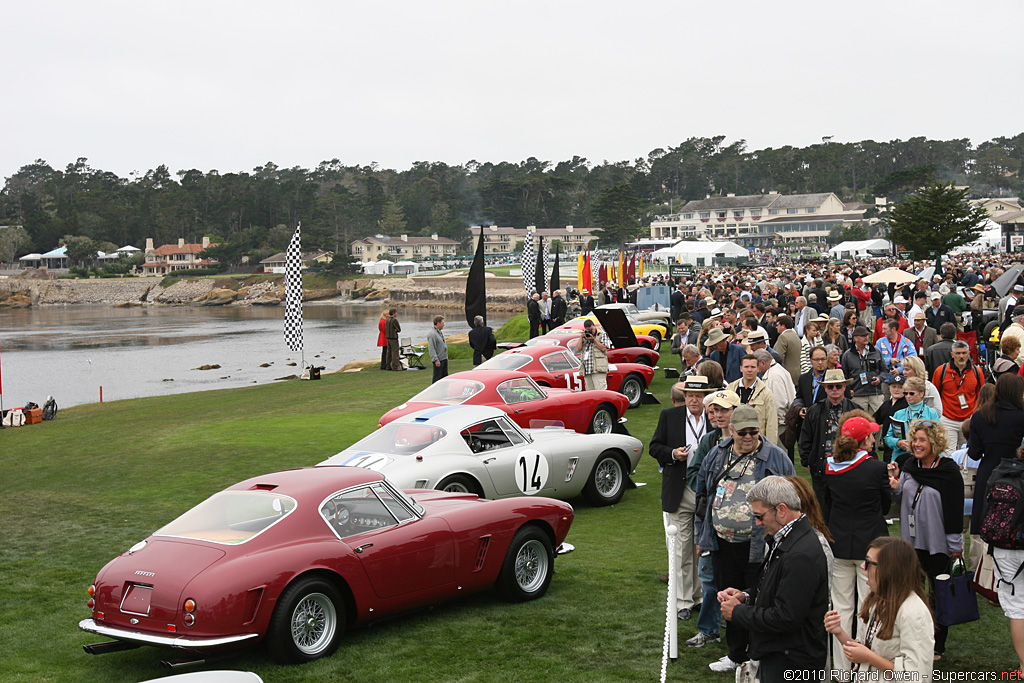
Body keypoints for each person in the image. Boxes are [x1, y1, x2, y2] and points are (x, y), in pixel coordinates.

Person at [695, 406, 795, 672]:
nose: (749, 437)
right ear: (731, 431)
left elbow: (793, 497)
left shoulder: (776, 457)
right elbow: (703, 494)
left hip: (760, 544)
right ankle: (736, 653)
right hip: (722, 543)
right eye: (743, 433)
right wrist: (701, 535)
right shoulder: (717, 454)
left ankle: (760, 653)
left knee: (760, 600)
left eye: (754, 432)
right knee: (728, 597)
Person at [718, 476, 829, 680]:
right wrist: (746, 596)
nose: (758, 523)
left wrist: (738, 612)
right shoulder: (788, 539)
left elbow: (786, 617)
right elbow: (777, 587)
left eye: (760, 516)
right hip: (783, 654)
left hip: (792, 662)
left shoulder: (800, 553)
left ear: (782, 510)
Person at [887, 419, 964, 660]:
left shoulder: (948, 471)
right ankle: (912, 640)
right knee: (911, 593)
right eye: (915, 439)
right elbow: (902, 496)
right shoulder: (910, 465)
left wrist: (955, 547)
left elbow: (954, 511)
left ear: (935, 442)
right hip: (911, 544)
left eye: (923, 440)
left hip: (938, 545)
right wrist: (895, 482)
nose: (917, 444)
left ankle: (937, 645)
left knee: (938, 595)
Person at [824, 413, 891, 668]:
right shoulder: (876, 468)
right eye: (871, 436)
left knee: (841, 608)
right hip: (870, 549)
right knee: (867, 607)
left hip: (839, 544)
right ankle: (863, 664)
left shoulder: (830, 468)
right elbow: (885, 505)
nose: (874, 440)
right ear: (863, 441)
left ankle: (842, 669)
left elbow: (827, 506)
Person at [824, 537, 934, 677]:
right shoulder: (877, 601)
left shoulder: (914, 613)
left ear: (889, 569)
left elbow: (916, 676)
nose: (863, 566)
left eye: (869, 562)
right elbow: (865, 650)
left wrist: (869, 658)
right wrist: (838, 631)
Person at [649, 377, 711, 621]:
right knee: (680, 548)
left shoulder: (715, 418)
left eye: (699, 396)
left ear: (706, 396)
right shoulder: (669, 416)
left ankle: (700, 597)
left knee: (703, 547)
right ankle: (683, 601)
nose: (694, 400)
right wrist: (672, 454)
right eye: (689, 396)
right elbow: (655, 447)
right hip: (680, 488)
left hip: (706, 491)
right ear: (683, 397)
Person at [686, 388, 740, 648]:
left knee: (742, 582)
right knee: (708, 579)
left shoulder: (752, 439)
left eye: (724, 410)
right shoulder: (709, 441)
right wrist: (710, 490)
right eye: (715, 410)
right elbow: (694, 471)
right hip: (709, 519)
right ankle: (708, 630)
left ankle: (739, 634)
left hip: (740, 526)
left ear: (735, 412)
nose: (718, 415)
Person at [967, 373, 1024, 537]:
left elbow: (974, 453)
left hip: (988, 473)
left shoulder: (979, 416)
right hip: (1017, 475)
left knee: (986, 522)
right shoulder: (1020, 416)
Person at [800, 369, 858, 511]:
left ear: (845, 387)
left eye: (838, 386)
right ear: (824, 388)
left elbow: (865, 440)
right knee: (822, 509)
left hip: (849, 468)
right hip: (821, 469)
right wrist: (808, 461)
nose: (834, 390)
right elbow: (805, 438)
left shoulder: (856, 410)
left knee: (847, 508)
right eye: (830, 386)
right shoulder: (814, 410)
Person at [992, 439, 1024, 674]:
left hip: (1004, 550)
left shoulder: (1002, 472)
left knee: (1018, 610)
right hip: (1014, 548)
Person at [932, 340, 984, 454]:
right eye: (958, 353)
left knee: (968, 453)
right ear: (952, 354)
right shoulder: (941, 371)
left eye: (964, 353)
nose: (961, 356)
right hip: (947, 418)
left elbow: (981, 395)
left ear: (969, 354)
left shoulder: (977, 371)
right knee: (948, 453)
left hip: (969, 418)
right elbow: (935, 395)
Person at [884, 377, 941, 468]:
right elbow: (887, 438)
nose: (908, 396)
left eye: (911, 393)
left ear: (922, 393)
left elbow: (939, 439)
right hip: (901, 458)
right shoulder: (899, 414)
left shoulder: (931, 414)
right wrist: (898, 443)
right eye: (905, 393)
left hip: (925, 459)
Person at [727, 354, 778, 444]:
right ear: (741, 368)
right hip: (733, 441)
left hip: (756, 443)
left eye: (753, 367)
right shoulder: (730, 389)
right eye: (746, 367)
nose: (749, 370)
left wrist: (770, 448)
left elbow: (771, 425)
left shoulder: (766, 393)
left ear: (758, 369)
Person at [754, 348, 794, 450]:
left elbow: (779, 403)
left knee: (778, 456)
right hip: (783, 422)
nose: (756, 369)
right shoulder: (778, 370)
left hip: (779, 424)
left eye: (756, 365)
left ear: (762, 362)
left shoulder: (773, 376)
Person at [842, 325, 885, 415]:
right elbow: (844, 375)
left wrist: (879, 379)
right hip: (857, 394)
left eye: (867, 335)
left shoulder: (876, 352)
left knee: (878, 422)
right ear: (855, 338)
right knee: (859, 421)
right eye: (863, 336)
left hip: (875, 393)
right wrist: (848, 390)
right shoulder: (848, 355)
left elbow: (885, 370)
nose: (866, 337)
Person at [875, 318, 917, 399]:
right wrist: (889, 361)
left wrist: (900, 370)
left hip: (903, 380)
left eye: (885, 329)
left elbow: (913, 360)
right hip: (886, 380)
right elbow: (875, 358)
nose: (882, 331)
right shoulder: (880, 342)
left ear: (893, 329)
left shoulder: (907, 343)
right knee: (886, 403)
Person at [874, 375, 908, 463]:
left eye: (900, 387)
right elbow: (875, 419)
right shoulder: (886, 405)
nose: (896, 390)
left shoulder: (907, 405)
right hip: (887, 446)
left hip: (902, 445)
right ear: (889, 388)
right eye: (893, 387)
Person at [578, 319, 610, 390]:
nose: (590, 332)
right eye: (587, 330)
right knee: (590, 394)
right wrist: (581, 338)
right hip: (587, 369)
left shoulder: (602, 335)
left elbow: (604, 348)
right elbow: (577, 349)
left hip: (598, 369)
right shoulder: (584, 337)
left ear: (594, 326)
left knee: (600, 391)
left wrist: (594, 340)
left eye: (591, 329)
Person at [773, 314, 802, 384]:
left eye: (777, 325)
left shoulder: (783, 337)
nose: (776, 327)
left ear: (783, 326)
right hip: (797, 373)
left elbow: (778, 357)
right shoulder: (795, 335)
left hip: (787, 374)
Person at [426, 315, 448, 383]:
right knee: (437, 378)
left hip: (443, 358)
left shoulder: (440, 332)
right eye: (442, 323)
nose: (443, 325)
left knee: (445, 377)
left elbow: (443, 344)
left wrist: (446, 356)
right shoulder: (432, 334)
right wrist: (436, 360)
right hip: (438, 360)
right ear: (438, 323)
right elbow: (431, 348)